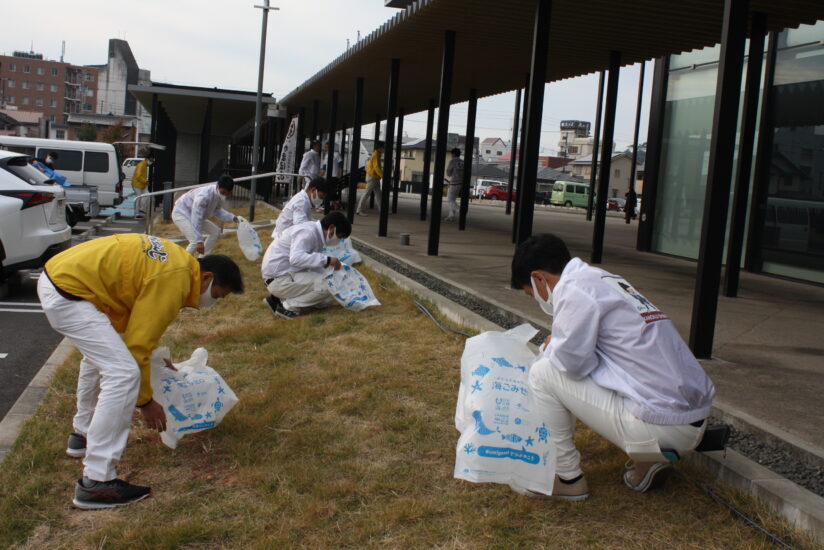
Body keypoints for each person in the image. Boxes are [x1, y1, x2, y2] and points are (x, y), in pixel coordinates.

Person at [37, 233, 244, 509]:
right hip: (69, 293)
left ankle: (82, 434)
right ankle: (97, 482)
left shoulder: (178, 264)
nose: (213, 301)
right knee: (123, 374)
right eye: (217, 295)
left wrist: (156, 360)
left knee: (101, 358)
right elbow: (137, 347)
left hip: (65, 280)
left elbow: (140, 331)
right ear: (206, 278)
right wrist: (145, 402)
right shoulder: (175, 281)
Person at [510, 233, 715, 500]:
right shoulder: (603, 279)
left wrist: (554, 347)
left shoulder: (573, 291)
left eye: (530, 293)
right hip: (692, 418)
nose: (536, 298)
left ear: (539, 278)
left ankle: (566, 477)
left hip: (663, 424)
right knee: (572, 364)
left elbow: (570, 365)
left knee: (543, 372)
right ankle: (649, 460)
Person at [261, 211, 351, 319]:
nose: (339, 241)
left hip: (284, 275)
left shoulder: (315, 233)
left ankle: (276, 299)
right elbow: (296, 258)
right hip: (280, 278)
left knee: (326, 300)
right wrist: (328, 260)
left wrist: (333, 273)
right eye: (340, 237)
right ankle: (288, 306)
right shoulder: (308, 232)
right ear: (332, 228)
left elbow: (314, 265)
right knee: (329, 285)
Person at [172, 175, 239, 257]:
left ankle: (202, 260)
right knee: (194, 242)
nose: (224, 195)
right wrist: (199, 241)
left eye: (226, 194)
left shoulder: (218, 196)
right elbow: (196, 219)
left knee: (215, 231)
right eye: (222, 193)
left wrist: (232, 217)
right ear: (217, 186)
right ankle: (181, 265)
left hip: (193, 215)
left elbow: (217, 210)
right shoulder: (204, 196)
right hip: (180, 213)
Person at [356, 141, 384, 217]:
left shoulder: (377, 154)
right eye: (383, 147)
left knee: (378, 194)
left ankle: (382, 210)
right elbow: (376, 167)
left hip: (374, 177)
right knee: (367, 194)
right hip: (373, 177)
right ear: (380, 147)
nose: (383, 149)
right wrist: (382, 175)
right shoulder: (375, 155)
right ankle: (359, 210)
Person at [132, 152, 155, 220]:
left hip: (141, 184)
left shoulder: (144, 165)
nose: (151, 162)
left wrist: (145, 182)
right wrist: (145, 181)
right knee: (139, 199)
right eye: (151, 160)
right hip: (137, 184)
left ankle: (141, 210)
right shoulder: (141, 165)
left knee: (146, 196)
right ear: (147, 159)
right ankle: (137, 213)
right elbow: (138, 176)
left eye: (152, 161)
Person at [445, 148, 464, 221]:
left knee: (450, 200)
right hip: (460, 183)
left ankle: (459, 211)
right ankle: (451, 216)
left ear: (453, 154)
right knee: (453, 199)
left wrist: (450, 174)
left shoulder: (452, 161)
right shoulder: (462, 162)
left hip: (454, 182)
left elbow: (448, 172)